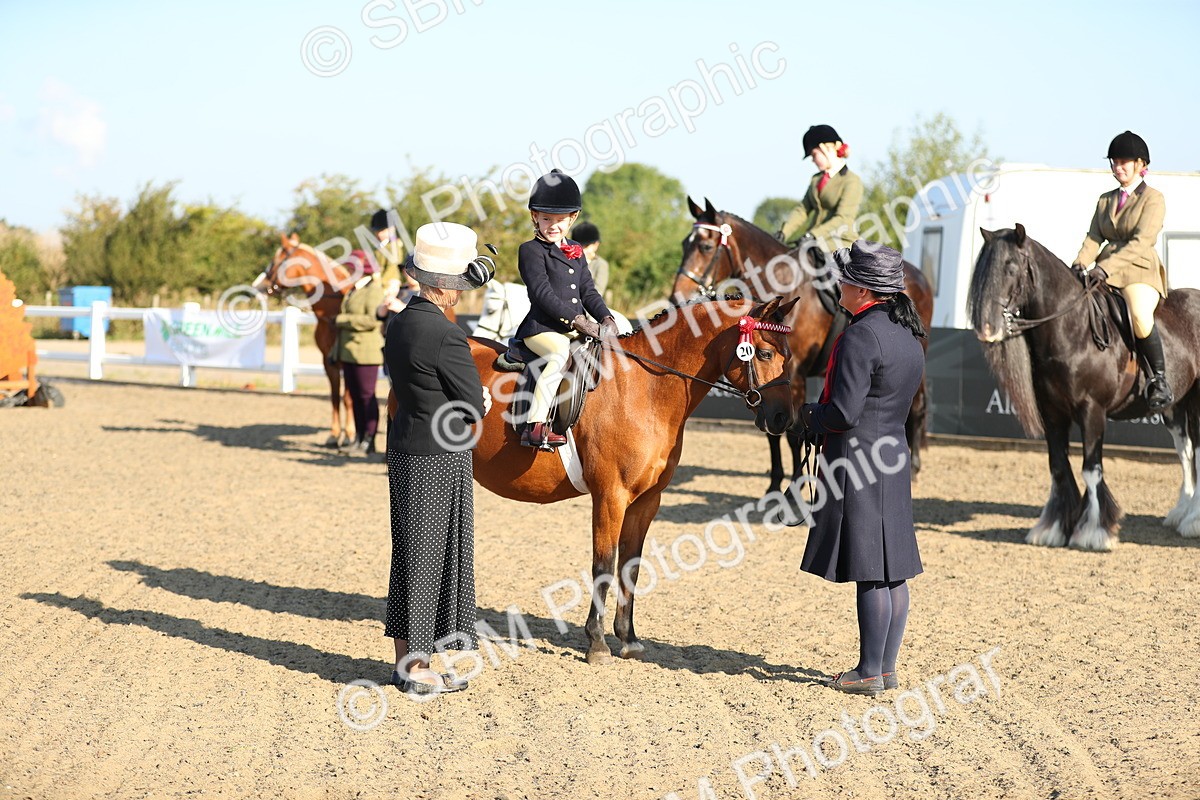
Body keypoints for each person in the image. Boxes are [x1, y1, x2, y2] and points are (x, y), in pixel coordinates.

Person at [792, 240, 927, 697]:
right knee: (893, 570)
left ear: (864, 290)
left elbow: (843, 413)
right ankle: (885, 669)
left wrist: (808, 416)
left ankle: (868, 672)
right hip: (892, 454)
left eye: (846, 280)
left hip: (857, 461)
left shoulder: (859, 336)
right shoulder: (906, 333)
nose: (839, 286)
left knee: (871, 567)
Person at [383, 221, 495, 696]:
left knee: (410, 555)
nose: (460, 296)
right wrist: (485, 400)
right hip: (440, 455)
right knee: (434, 558)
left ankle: (409, 660)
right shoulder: (448, 337)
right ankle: (415, 670)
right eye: (457, 288)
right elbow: (472, 404)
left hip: (405, 446)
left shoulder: (401, 321)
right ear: (442, 289)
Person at [513, 169, 616, 448]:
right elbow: (542, 294)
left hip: (575, 328)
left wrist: (606, 317)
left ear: (573, 218)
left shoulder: (576, 250)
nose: (553, 225)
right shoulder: (530, 250)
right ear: (534, 216)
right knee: (558, 355)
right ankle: (535, 425)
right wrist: (579, 321)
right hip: (542, 329)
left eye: (560, 220)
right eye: (547, 219)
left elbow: (588, 290)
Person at [1072, 131, 1171, 409]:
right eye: (1114, 162)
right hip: (1104, 271)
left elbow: (1142, 242)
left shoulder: (1153, 198)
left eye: (1124, 162)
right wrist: (1080, 262)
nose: (1118, 167)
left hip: (1139, 271)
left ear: (1141, 165)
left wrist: (1103, 268)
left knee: (1139, 315)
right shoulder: (1105, 200)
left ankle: (1159, 380)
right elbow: (1094, 237)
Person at [779, 125, 863, 253]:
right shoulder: (816, 180)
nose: (813, 160)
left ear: (826, 149)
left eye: (814, 155)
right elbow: (802, 210)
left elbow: (843, 218)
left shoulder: (851, 181)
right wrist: (783, 233)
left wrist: (813, 235)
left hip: (839, 242)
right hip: (814, 241)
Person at [334, 249, 385, 457]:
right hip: (349, 352)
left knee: (366, 396)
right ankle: (358, 438)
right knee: (354, 396)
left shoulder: (374, 290)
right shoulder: (353, 290)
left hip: (366, 352)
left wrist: (341, 320)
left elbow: (372, 320)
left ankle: (369, 440)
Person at [369, 208, 418, 325]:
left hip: (390, 281)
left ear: (391, 229)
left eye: (382, 231)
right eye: (378, 231)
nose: (379, 234)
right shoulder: (380, 247)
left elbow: (391, 266)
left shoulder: (394, 245)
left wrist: (381, 281)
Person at [571, 221, 609, 298]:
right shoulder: (569, 259)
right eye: (580, 245)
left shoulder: (600, 264)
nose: (582, 249)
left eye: (586, 246)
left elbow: (598, 291)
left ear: (596, 244)